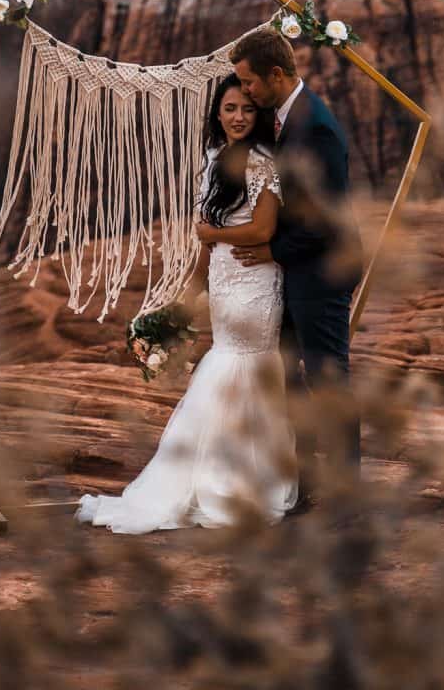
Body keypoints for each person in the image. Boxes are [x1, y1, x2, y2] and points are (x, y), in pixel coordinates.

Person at [74, 73, 298, 534]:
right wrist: (191, 291)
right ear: (217, 112)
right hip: (224, 278)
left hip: (256, 282)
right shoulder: (214, 158)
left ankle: (240, 481)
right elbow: (204, 240)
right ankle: (214, 478)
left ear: (259, 116)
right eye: (230, 108)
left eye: (247, 109)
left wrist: (213, 235)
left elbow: (261, 230)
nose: (238, 117)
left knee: (245, 365)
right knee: (226, 364)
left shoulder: (263, 162)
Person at [229, 27, 363, 506]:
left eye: (249, 82)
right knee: (291, 385)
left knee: (330, 382)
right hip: (294, 275)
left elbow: (327, 221)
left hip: (321, 272)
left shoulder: (316, 127)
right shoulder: (288, 120)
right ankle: (304, 492)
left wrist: (272, 251)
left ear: (277, 74)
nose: (245, 91)